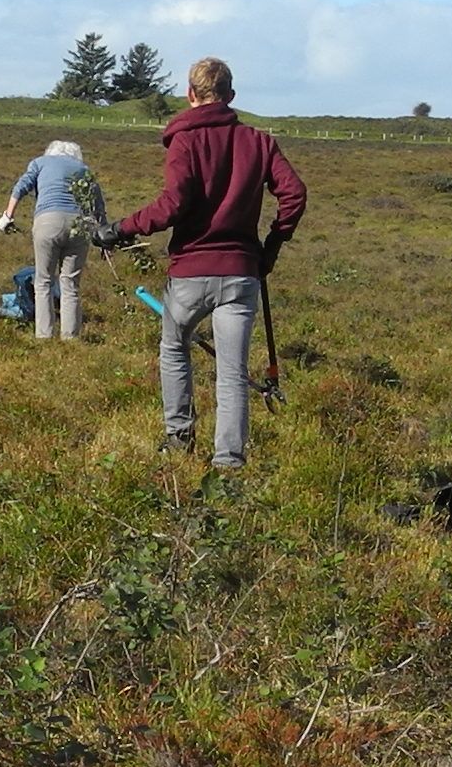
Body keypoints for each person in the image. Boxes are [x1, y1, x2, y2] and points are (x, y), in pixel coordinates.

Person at [105, 57, 305, 471]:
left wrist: (123, 228)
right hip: (241, 272)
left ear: (190, 94)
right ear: (230, 96)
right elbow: (295, 194)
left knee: (174, 350)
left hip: (191, 272)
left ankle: (179, 438)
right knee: (232, 372)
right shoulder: (260, 141)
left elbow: (173, 205)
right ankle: (228, 462)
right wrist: (272, 246)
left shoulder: (185, 142)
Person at [0, 138, 110, 339]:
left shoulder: (40, 162)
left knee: (43, 280)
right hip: (80, 225)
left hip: (47, 222)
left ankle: (44, 336)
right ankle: (70, 338)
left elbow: (20, 187)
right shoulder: (84, 168)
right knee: (70, 284)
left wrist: (7, 216)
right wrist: (104, 238)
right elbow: (98, 204)